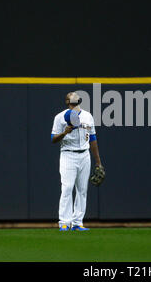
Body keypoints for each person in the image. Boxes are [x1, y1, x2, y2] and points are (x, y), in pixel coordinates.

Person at [51, 92, 103, 231]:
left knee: (82, 190)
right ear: (67, 101)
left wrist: (98, 161)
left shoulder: (88, 116)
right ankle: (64, 222)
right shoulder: (60, 117)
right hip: (68, 155)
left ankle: (77, 222)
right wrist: (64, 133)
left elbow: (92, 139)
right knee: (67, 188)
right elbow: (53, 139)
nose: (74, 98)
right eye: (71, 97)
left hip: (84, 155)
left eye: (75, 96)